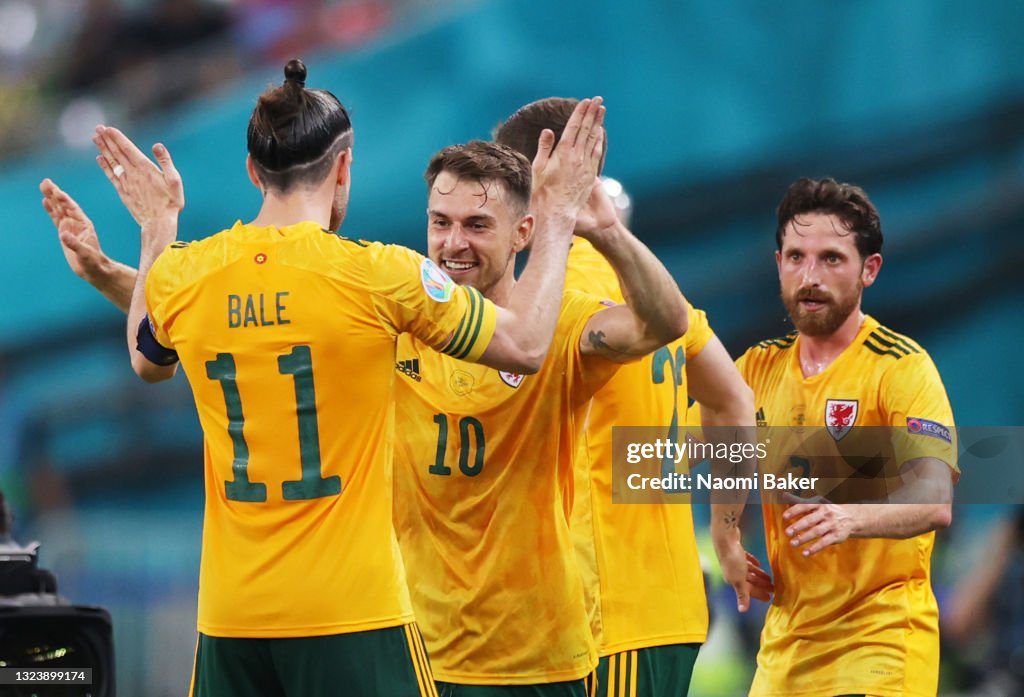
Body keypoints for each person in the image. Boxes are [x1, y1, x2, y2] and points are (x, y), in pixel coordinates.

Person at [40, 60, 607, 697]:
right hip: (353, 613)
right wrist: (556, 212)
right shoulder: (377, 277)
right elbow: (528, 344)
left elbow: (148, 356)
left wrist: (157, 228)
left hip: (231, 617)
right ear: (343, 167)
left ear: (253, 172)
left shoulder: (187, 274)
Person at [389, 135, 690, 696]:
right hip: (418, 657)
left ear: (525, 230)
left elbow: (667, 325)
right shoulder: (395, 325)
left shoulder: (565, 317)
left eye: (477, 225)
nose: (453, 243)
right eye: (440, 222)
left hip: (538, 660)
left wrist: (604, 231)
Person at [493, 97, 771, 697]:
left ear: (535, 177)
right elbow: (733, 404)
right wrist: (726, 528)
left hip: (600, 613)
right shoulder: (652, 288)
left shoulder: (551, 296)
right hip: (667, 604)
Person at [736, 177, 957, 697]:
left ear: (869, 270)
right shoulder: (755, 367)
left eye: (831, 259)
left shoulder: (902, 367)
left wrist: (847, 517)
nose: (809, 276)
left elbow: (934, 500)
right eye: (795, 257)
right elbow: (670, 455)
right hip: (786, 646)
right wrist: (723, 539)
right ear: (778, 264)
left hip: (880, 639)